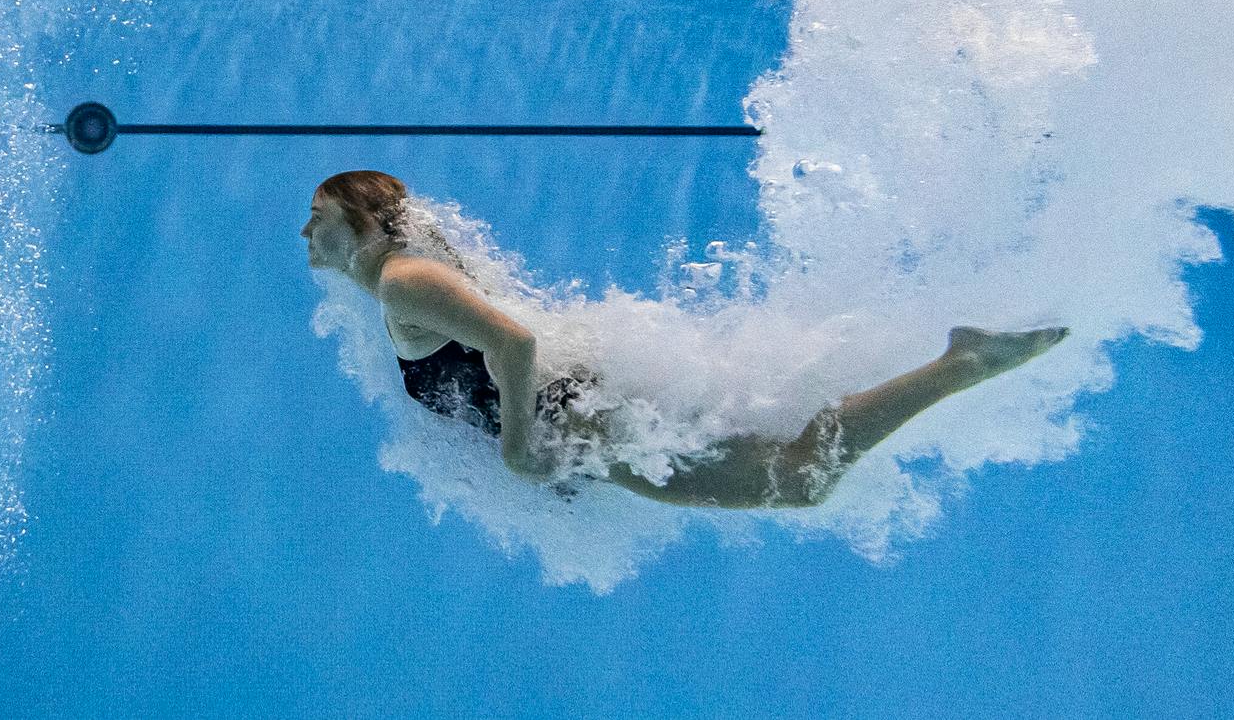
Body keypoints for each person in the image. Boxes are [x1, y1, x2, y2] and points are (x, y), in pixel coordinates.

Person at [303, 169, 1069, 509]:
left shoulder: (404, 279)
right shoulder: (404, 281)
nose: (307, 229)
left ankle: (959, 360)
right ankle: (951, 361)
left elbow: (516, 346)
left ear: (365, 222)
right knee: (793, 468)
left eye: (321, 214)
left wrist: (518, 452)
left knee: (800, 478)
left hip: (585, 421)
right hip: (586, 424)